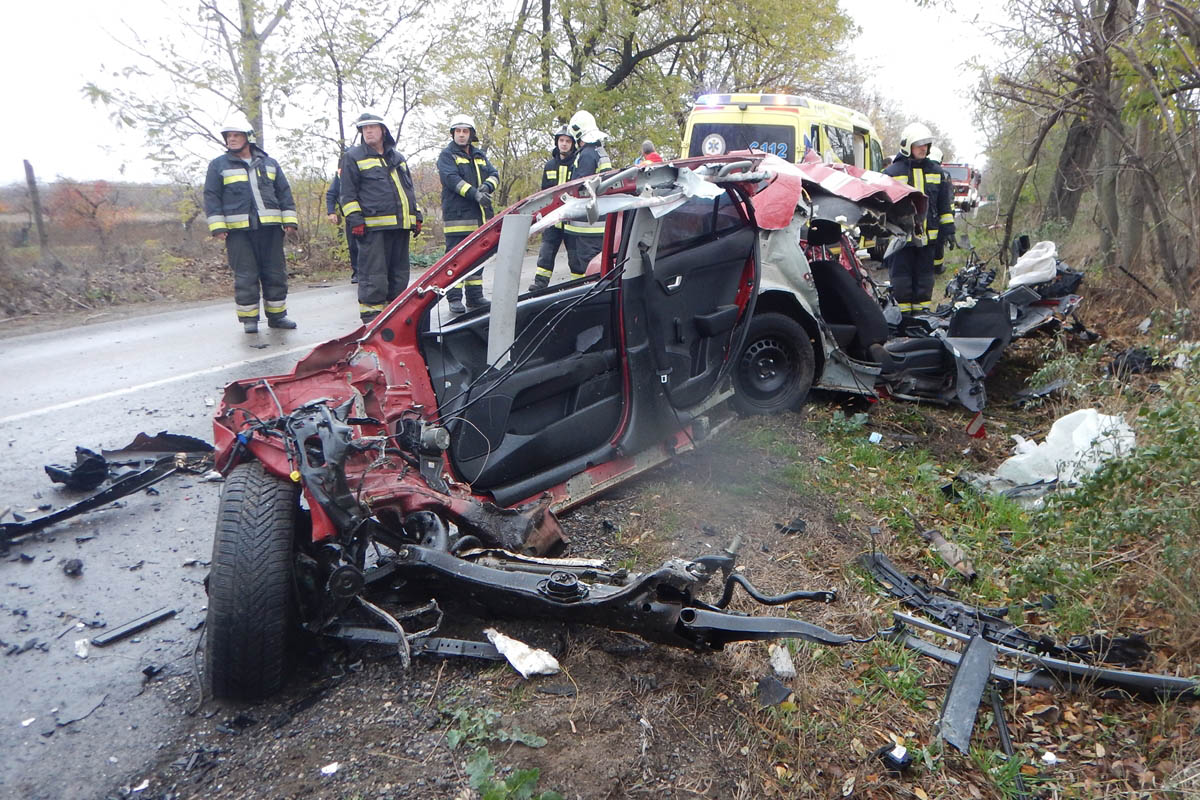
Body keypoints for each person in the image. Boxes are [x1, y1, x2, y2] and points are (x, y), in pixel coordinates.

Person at [204, 116, 298, 333]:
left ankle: (277, 316)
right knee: (246, 275)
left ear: (249, 138)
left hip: (271, 228)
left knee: (275, 273)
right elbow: (211, 197)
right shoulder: (218, 165)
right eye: (229, 136)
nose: (232, 139)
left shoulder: (270, 163)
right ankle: (249, 320)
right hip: (238, 232)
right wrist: (218, 226)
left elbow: (284, 193)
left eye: (236, 135)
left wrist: (290, 221)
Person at [339, 112, 423, 324]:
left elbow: (408, 190)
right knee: (373, 276)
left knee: (399, 275)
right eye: (364, 128)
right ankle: (372, 320)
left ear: (383, 130)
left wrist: (416, 215)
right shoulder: (353, 157)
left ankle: (395, 317)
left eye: (372, 127)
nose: (367, 131)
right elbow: (347, 194)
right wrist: (355, 220)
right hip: (372, 229)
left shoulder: (398, 158)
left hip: (400, 227)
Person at [882, 122, 954, 314]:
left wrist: (948, 228)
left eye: (926, 145)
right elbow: (882, 206)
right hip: (901, 238)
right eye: (919, 144)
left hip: (928, 239)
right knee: (901, 279)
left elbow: (944, 205)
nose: (924, 148)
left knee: (924, 279)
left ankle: (921, 316)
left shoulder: (937, 172)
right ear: (907, 146)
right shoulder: (891, 173)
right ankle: (903, 317)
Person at [438, 113, 499, 314]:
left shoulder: (479, 155)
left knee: (477, 258)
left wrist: (487, 187)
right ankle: (454, 298)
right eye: (458, 131)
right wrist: (475, 194)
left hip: (479, 218)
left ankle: (474, 296)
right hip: (458, 217)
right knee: (456, 259)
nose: (461, 135)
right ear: (453, 134)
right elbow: (451, 180)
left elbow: (494, 174)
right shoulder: (447, 156)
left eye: (465, 131)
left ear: (471, 134)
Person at [528, 124, 577, 291]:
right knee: (546, 253)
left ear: (572, 144)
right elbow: (544, 192)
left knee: (575, 255)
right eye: (561, 140)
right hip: (552, 218)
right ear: (557, 142)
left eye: (567, 141)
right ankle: (540, 284)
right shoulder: (549, 165)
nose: (564, 144)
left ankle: (577, 286)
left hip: (572, 218)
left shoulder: (577, 164)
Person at [565, 110, 613, 274]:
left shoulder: (586, 155)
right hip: (599, 221)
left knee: (589, 269)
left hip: (586, 225)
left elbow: (579, 185)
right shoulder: (600, 152)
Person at [325, 166, 359, 283]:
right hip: (351, 216)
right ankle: (357, 273)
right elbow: (331, 194)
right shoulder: (341, 173)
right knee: (354, 246)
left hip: (371, 215)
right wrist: (331, 212)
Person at [927, 144, 956, 274]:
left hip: (924, 215)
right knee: (939, 242)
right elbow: (948, 197)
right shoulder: (944, 174)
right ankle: (937, 267)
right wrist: (949, 221)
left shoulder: (919, 169)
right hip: (939, 214)